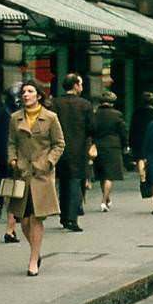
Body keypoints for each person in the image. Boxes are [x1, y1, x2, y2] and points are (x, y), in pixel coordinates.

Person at [7, 79, 65, 277]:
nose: (26, 94)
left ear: (39, 95)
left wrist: (48, 162)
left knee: (36, 217)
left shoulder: (50, 117)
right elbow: (11, 142)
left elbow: (59, 144)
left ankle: (33, 261)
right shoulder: (15, 118)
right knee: (23, 221)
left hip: (41, 175)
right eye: (23, 92)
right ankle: (36, 250)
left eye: (30, 91)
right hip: (22, 173)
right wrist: (12, 160)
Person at [52, 73, 93, 232]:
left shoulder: (55, 103)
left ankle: (63, 216)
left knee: (63, 182)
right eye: (80, 84)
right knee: (75, 182)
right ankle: (72, 218)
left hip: (59, 148)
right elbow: (91, 127)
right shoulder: (85, 104)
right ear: (76, 85)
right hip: (78, 148)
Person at [0, 86, 20, 243]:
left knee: (11, 190)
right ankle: (11, 227)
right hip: (13, 157)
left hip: (6, 156)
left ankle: (11, 226)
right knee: (13, 190)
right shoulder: (19, 114)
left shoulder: (0, 113)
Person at [92, 92, 127, 211]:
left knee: (102, 174)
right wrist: (125, 144)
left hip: (98, 146)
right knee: (109, 175)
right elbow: (123, 131)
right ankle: (103, 201)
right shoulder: (117, 115)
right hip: (113, 146)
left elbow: (91, 129)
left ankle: (107, 199)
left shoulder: (95, 114)